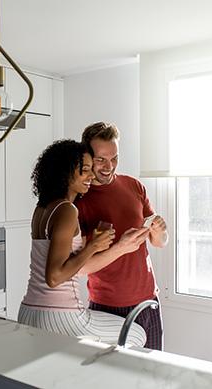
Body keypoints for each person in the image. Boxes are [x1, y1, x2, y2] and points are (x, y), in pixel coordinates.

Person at [18, 139, 146, 346]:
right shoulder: (67, 210)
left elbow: (55, 259)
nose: (91, 175)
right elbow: (54, 277)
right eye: (84, 170)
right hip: (60, 315)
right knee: (137, 333)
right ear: (66, 172)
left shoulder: (42, 209)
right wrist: (93, 247)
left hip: (28, 312)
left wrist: (91, 243)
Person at [75, 122, 168, 351]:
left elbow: (159, 243)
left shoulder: (134, 186)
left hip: (149, 302)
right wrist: (121, 248)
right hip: (108, 308)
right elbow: (80, 267)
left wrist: (160, 231)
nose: (109, 167)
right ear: (86, 157)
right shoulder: (80, 201)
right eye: (101, 160)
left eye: (114, 158)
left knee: (153, 377)